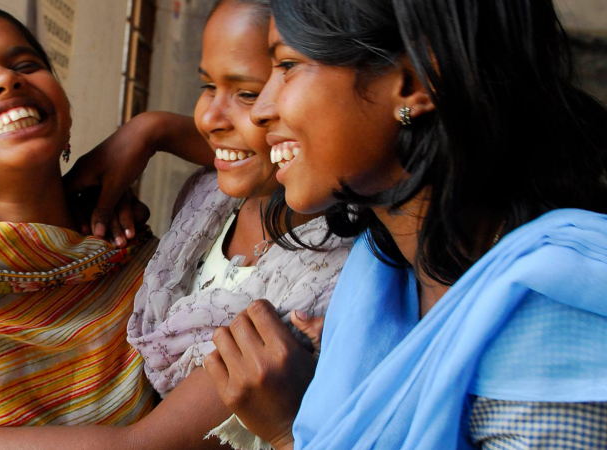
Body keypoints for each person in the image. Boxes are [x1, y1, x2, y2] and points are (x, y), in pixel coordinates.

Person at [0, 2, 351, 450]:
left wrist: (150, 130)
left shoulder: (136, 257)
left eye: (24, 65)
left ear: (63, 109)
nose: (3, 80)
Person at [198, 0, 607, 449]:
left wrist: (285, 430)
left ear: (414, 82)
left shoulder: (547, 325)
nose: (260, 111)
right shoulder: (381, 276)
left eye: (288, 65)